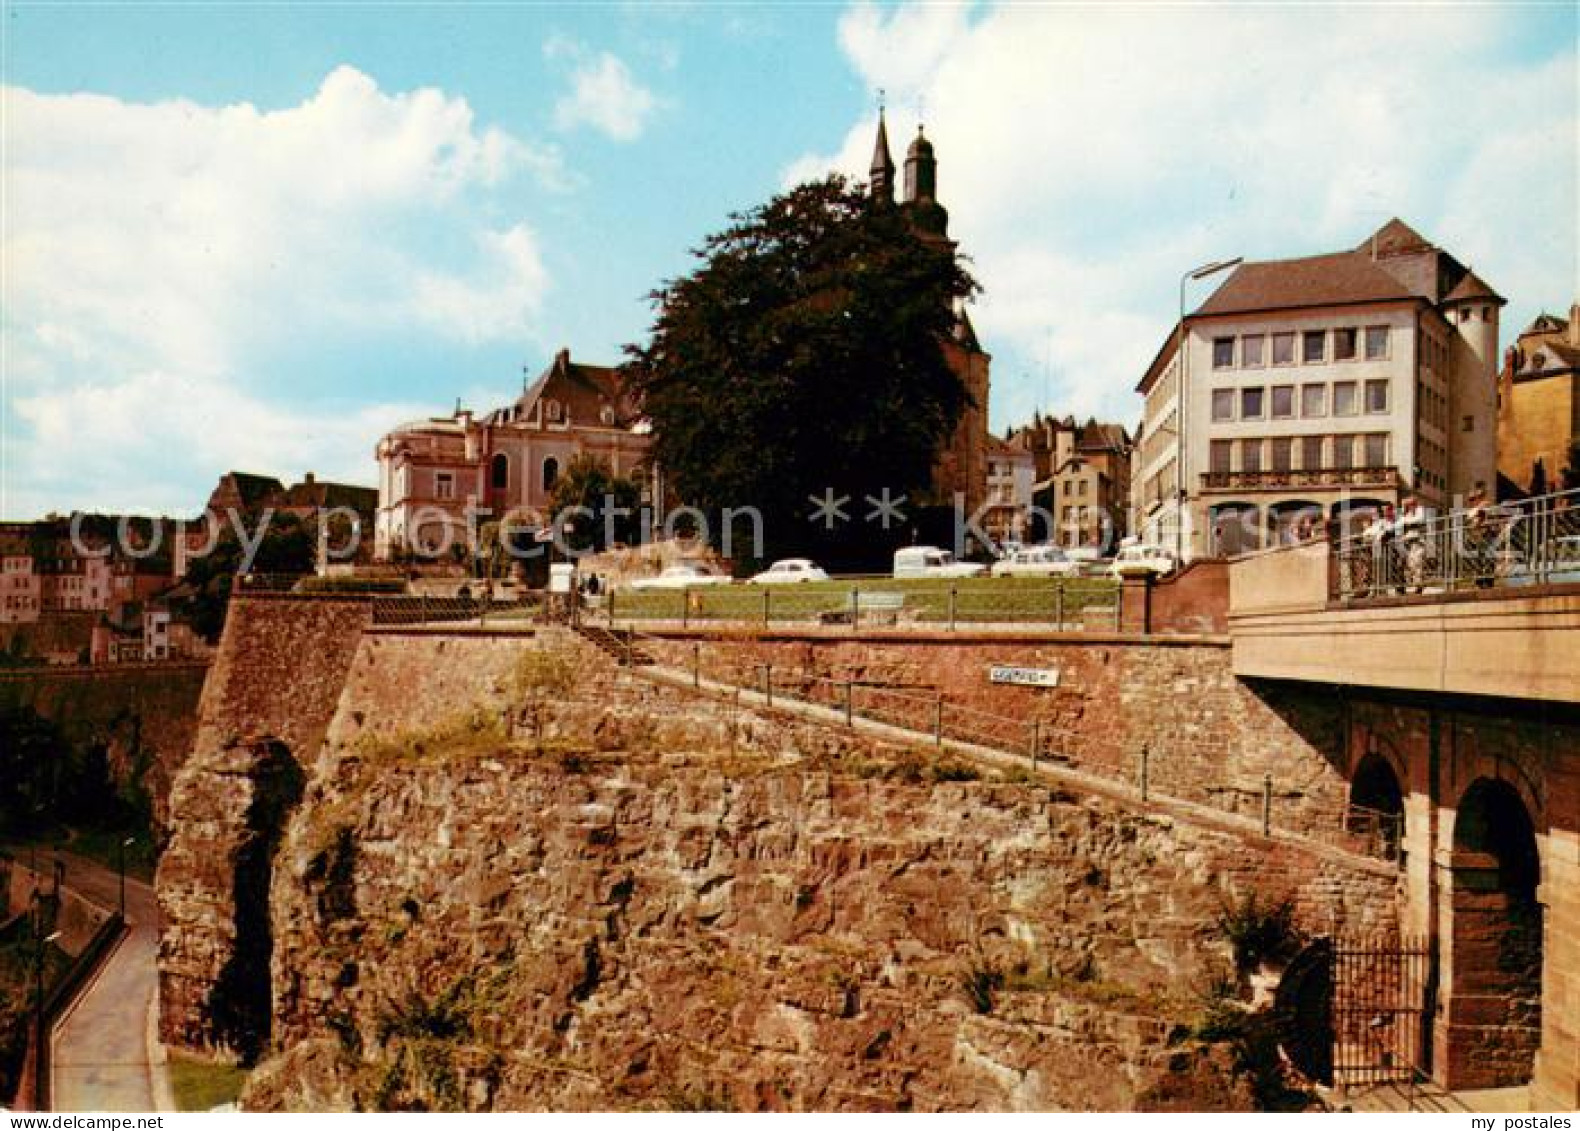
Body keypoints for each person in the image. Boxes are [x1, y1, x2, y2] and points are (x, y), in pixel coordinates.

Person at [1396, 495, 1429, 593]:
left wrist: (1407, 522)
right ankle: (1412, 584)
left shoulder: (1420, 509)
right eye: (1407, 504)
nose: (1408, 506)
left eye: (1409, 504)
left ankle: (1419, 586)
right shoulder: (1406, 514)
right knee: (1410, 565)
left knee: (1417, 563)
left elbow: (1420, 519)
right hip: (1407, 542)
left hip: (1418, 541)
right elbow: (1399, 523)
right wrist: (1403, 512)